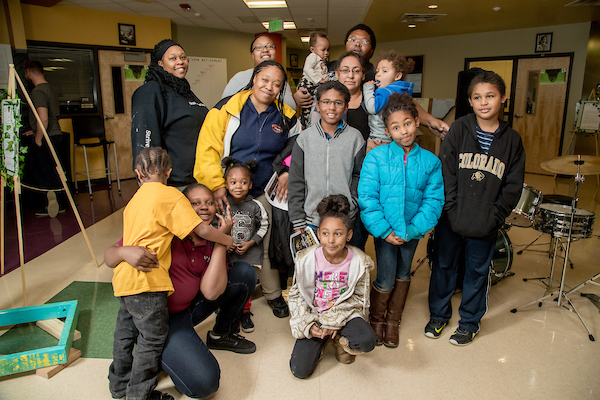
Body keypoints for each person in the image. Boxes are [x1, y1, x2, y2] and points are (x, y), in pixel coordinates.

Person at [105, 182, 257, 399]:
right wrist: (123, 252)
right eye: (195, 203)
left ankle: (221, 334)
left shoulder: (212, 238)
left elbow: (211, 292)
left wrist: (221, 241)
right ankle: (155, 352)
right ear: (182, 208)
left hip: (190, 306)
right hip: (159, 319)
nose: (204, 208)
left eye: (209, 203)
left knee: (244, 273)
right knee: (204, 383)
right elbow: (109, 256)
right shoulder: (164, 232)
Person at [194, 60, 301, 318]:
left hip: (264, 192)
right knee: (227, 243)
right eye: (265, 80)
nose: (270, 87)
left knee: (261, 244)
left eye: (277, 84)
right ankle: (230, 299)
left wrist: (286, 171)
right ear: (254, 78)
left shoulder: (287, 115)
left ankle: (273, 294)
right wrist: (218, 187)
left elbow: (297, 147)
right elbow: (206, 150)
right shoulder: (226, 109)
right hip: (227, 192)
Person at [425, 71, 525, 346]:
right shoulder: (458, 129)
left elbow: (514, 185)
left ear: (503, 98)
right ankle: (438, 316)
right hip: (452, 218)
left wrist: (496, 215)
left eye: (490, 96)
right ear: (470, 101)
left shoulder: (512, 140)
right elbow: (446, 172)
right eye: (478, 97)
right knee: (444, 267)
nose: (484, 102)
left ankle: (469, 322)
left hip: (486, 222)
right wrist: (451, 209)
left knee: (477, 273)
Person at [358, 93, 444, 348]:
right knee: (385, 277)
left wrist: (415, 229)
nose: (403, 131)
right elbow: (367, 197)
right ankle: (376, 320)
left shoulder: (431, 161)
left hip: (412, 232)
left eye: (407, 123)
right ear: (387, 130)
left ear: (417, 122)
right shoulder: (376, 157)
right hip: (386, 233)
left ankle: (393, 321)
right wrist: (384, 231)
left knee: (403, 274)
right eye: (395, 127)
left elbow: (433, 201)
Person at [288, 195, 376, 379]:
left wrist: (334, 321)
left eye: (338, 233)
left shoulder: (360, 262)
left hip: (344, 314)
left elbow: (360, 300)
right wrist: (308, 325)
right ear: (319, 233)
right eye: (326, 233)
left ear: (349, 235)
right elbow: (296, 296)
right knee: (300, 370)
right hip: (316, 315)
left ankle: (339, 340)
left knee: (366, 340)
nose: (331, 240)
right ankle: (323, 339)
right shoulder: (305, 259)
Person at [288, 81, 365, 233]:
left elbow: (359, 175)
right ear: (317, 105)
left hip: (345, 219)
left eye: (338, 103)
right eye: (326, 102)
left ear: (346, 107)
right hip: (311, 221)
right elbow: (296, 181)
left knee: (348, 256)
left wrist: (353, 202)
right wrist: (298, 221)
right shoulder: (304, 139)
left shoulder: (355, 138)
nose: (331, 108)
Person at [131, 39, 209, 188]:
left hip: (196, 180)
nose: (180, 62)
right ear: (160, 63)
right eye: (173, 58)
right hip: (173, 183)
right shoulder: (151, 91)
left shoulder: (183, 90)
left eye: (183, 57)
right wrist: (151, 184)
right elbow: (145, 142)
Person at [221, 156, 269, 333]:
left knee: (246, 286)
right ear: (226, 184)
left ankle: (245, 313)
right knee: (227, 284)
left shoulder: (255, 206)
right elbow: (215, 227)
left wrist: (251, 242)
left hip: (248, 255)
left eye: (243, 182)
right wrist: (226, 242)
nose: (238, 186)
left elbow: (264, 225)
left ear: (250, 185)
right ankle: (227, 312)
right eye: (233, 182)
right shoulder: (223, 205)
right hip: (227, 255)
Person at [22, 60, 67, 217]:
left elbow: (44, 118)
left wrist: (39, 138)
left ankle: (51, 202)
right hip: (56, 134)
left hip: (47, 136)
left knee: (41, 169)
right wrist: (34, 130)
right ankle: (59, 202)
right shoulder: (50, 89)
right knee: (51, 170)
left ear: (28, 72)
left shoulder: (37, 91)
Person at [221, 35, 296, 110]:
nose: (265, 50)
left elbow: (291, 109)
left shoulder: (281, 80)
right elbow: (223, 106)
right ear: (252, 55)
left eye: (270, 46)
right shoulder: (239, 78)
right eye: (259, 47)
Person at [364, 50, 415, 147]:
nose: (378, 74)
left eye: (384, 71)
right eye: (377, 71)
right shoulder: (401, 92)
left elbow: (372, 108)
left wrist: (367, 89)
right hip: (395, 139)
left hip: (380, 139)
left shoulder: (385, 92)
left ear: (397, 76)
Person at [297, 32, 330, 127]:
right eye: (323, 50)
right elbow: (307, 69)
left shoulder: (321, 61)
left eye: (328, 50)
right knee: (307, 106)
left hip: (315, 85)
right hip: (308, 84)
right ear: (312, 49)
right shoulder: (313, 57)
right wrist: (319, 80)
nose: (326, 52)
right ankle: (304, 122)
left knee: (313, 106)